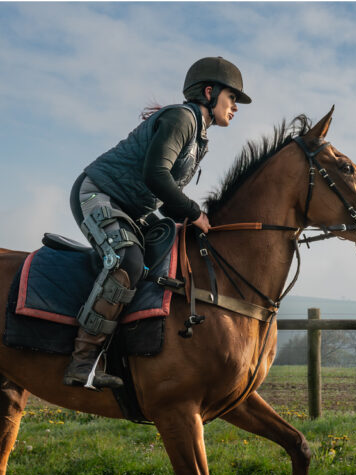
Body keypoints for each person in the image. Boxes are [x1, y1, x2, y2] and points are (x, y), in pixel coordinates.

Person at [63, 56, 252, 390]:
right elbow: (155, 175)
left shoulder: (200, 137)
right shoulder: (182, 118)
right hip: (98, 194)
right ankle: (83, 363)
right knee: (127, 260)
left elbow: (164, 199)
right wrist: (194, 211)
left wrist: (190, 221)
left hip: (132, 207)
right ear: (209, 91)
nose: (235, 107)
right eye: (232, 97)